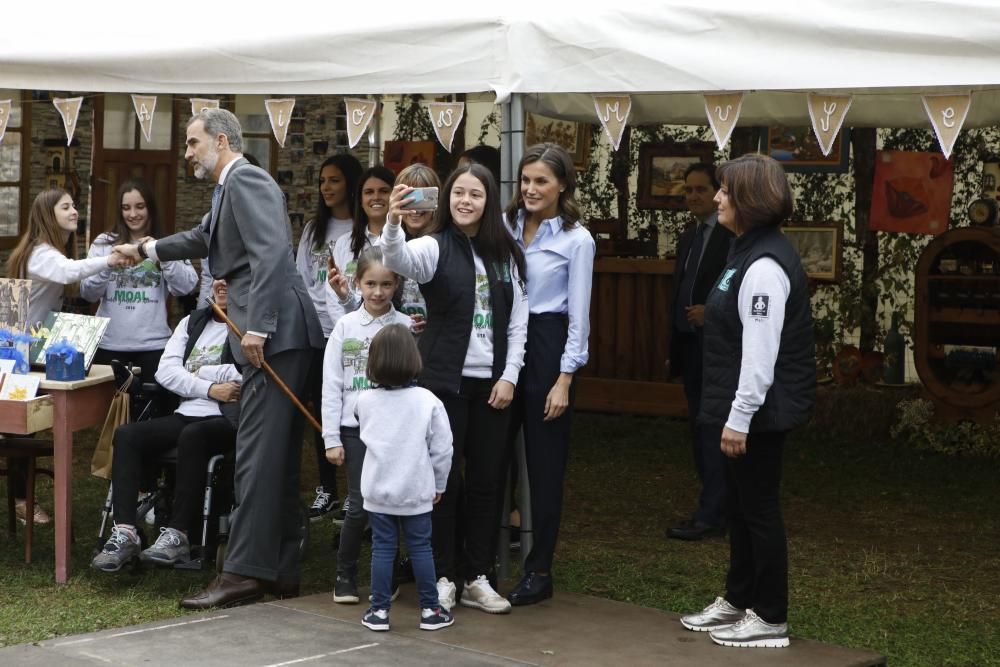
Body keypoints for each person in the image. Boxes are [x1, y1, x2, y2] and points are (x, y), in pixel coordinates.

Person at [114, 107, 324, 608]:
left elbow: (273, 253)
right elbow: (204, 239)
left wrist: (258, 326)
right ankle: (279, 570)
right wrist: (146, 249)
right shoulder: (228, 187)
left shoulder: (246, 179)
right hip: (276, 334)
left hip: (276, 335)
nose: (186, 153)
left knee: (254, 458)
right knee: (268, 458)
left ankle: (244, 574)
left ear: (222, 141)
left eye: (192, 143)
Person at [680, 154, 815, 648]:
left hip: (760, 412)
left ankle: (771, 616)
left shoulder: (763, 266)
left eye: (725, 192)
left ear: (750, 201)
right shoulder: (744, 252)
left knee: (758, 510)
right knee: (737, 508)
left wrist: (738, 420)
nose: (716, 198)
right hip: (739, 409)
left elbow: (760, 357)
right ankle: (739, 601)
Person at [382, 162, 528, 615]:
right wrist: (391, 223)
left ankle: (478, 577)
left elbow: (520, 322)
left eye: (476, 195)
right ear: (448, 200)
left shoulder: (506, 255)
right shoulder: (433, 246)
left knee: (487, 483)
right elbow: (397, 260)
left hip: (493, 388)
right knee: (442, 482)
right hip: (443, 384)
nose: (466, 201)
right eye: (459, 193)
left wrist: (509, 376)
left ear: (488, 203)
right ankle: (444, 574)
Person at [91, 279, 241, 571]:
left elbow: (245, 373)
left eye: (232, 280)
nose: (223, 285)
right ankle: (126, 533)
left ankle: (178, 534)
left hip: (228, 418)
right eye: (219, 279)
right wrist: (210, 386)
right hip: (188, 411)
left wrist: (195, 372)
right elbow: (165, 372)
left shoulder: (249, 326)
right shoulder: (192, 322)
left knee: (193, 435)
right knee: (128, 435)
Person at [5, 189, 131, 525]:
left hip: (27, 349)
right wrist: (109, 259)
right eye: (66, 207)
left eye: (74, 205)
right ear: (48, 214)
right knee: (19, 429)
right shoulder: (41, 253)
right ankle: (21, 501)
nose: (75, 211)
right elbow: (68, 272)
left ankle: (22, 498)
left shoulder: (46, 250)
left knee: (22, 428)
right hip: (15, 350)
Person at [504, 143, 595, 605]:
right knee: (491, 457)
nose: (531, 189)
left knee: (544, 465)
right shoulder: (504, 225)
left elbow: (578, 317)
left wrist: (565, 378)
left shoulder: (577, 239)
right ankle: (480, 561)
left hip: (548, 344)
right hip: (505, 345)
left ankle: (539, 570)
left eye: (541, 181)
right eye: (526, 180)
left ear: (562, 185)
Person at [322, 247, 413, 604]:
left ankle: (385, 573)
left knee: (388, 504)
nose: (378, 292)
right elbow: (331, 384)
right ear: (357, 283)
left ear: (397, 284)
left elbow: (412, 383)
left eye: (386, 284)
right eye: (370, 283)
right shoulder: (345, 326)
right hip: (353, 428)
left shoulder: (405, 326)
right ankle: (344, 575)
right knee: (359, 504)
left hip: (393, 430)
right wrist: (331, 437)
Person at [354, 323, 454, 632]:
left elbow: (360, 426)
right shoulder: (428, 401)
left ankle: (379, 611)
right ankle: (430, 611)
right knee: (421, 548)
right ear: (414, 359)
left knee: (383, 549)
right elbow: (443, 449)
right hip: (416, 490)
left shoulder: (364, 401)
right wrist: (439, 484)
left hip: (378, 491)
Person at [666, 163, 735, 541]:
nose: (693, 196)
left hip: (719, 348)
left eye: (700, 190)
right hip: (690, 347)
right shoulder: (689, 235)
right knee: (698, 428)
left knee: (713, 429)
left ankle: (714, 513)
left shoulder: (731, 237)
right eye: (688, 190)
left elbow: (737, 290)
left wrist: (714, 313)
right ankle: (712, 503)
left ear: (717, 192)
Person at [81, 179, 199, 389]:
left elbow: (186, 286)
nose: (132, 214)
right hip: (109, 345)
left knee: (150, 416)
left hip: (154, 346)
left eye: (140, 207)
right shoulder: (103, 243)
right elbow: (88, 292)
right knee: (108, 417)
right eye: (126, 208)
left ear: (150, 208)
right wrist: (109, 262)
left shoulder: (167, 244)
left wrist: (158, 252)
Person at [296, 153, 363, 521]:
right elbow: (301, 277)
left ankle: (357, 489)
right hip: (317, 331)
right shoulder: (312, 230)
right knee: (321, 410)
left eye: (334, 180)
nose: (326, 188)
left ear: (350, 184)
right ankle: (326, 489)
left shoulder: (362, 227)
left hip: (353, 327)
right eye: (323, 181)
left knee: (355, 407)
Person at [325, 165, 395, 324]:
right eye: (369, 192)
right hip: (353, 338)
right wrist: (351, 330)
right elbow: (332, 294)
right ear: (361, 200)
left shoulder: (407, 242)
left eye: (384, 191)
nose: (376, 197)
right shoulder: (344, 243)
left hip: (396, 336)